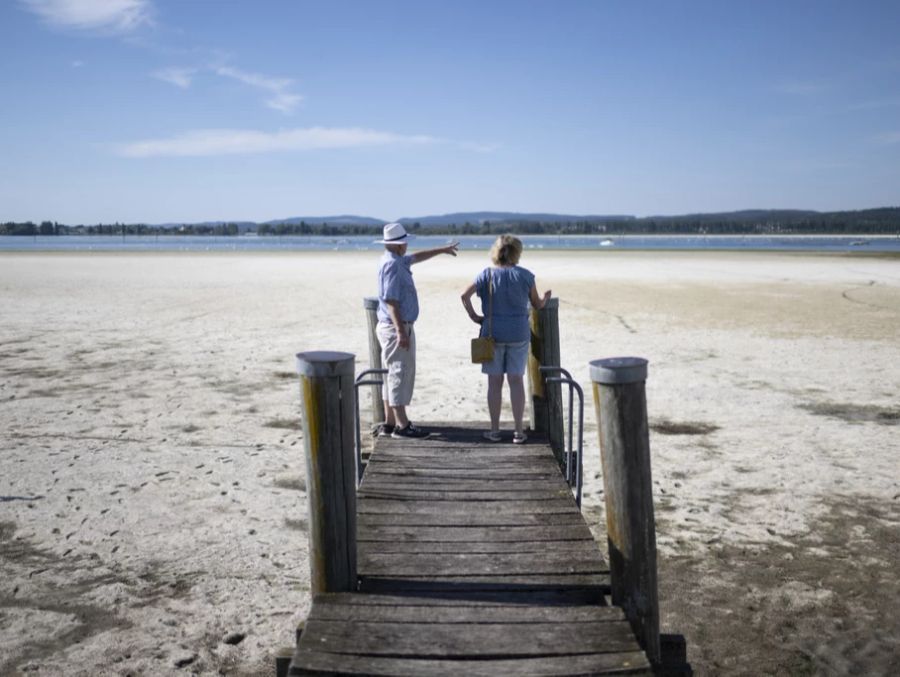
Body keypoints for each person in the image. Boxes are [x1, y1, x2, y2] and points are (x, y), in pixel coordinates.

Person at [461, 234, 551, 444]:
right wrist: (546, 299)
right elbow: (537, 304)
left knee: (494, 383)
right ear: (517, 252)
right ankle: (518, 432)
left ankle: (494, 431)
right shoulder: (526, 275)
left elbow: (464, 296)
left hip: (493, 332)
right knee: (516, 381)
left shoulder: (486, 275)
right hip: (518, 333)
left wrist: (475, 316)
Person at [375, 222, 459, 438]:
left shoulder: (395, 260)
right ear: (400, 244)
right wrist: (401, 332)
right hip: (397, 327)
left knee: (391, 373)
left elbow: (417, 257)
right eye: (405, 242)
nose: (407, 246)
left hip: (395, 326)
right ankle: (402, 426)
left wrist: (442, 249)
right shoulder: (393, 265)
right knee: (398, 374)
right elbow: (391, 301)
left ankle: (390, 423)